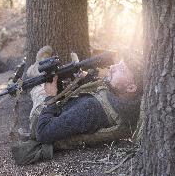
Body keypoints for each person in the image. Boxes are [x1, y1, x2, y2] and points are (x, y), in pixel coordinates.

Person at [11, 46, 143, 165]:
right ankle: (39, 67)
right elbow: (103, 91)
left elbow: (42, 133)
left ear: (131, 87)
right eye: (118, 64)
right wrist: (85, 78)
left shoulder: (91, 109)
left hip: (41, 119)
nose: (113, 67)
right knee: (47, 78)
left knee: (39, 86)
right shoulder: (126, 103)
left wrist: (50, 97)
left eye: (122, 69)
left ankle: (35, 67)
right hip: (63, 109)